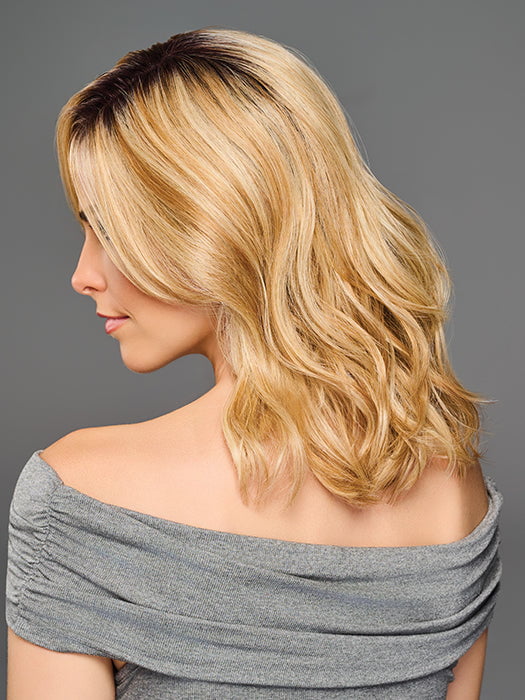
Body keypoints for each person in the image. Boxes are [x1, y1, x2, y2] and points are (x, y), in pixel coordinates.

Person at [5, 26, 503, 699]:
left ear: (214, 225)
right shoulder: (450, 484)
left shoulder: (78, 497)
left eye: (110, 231)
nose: (82, 275)